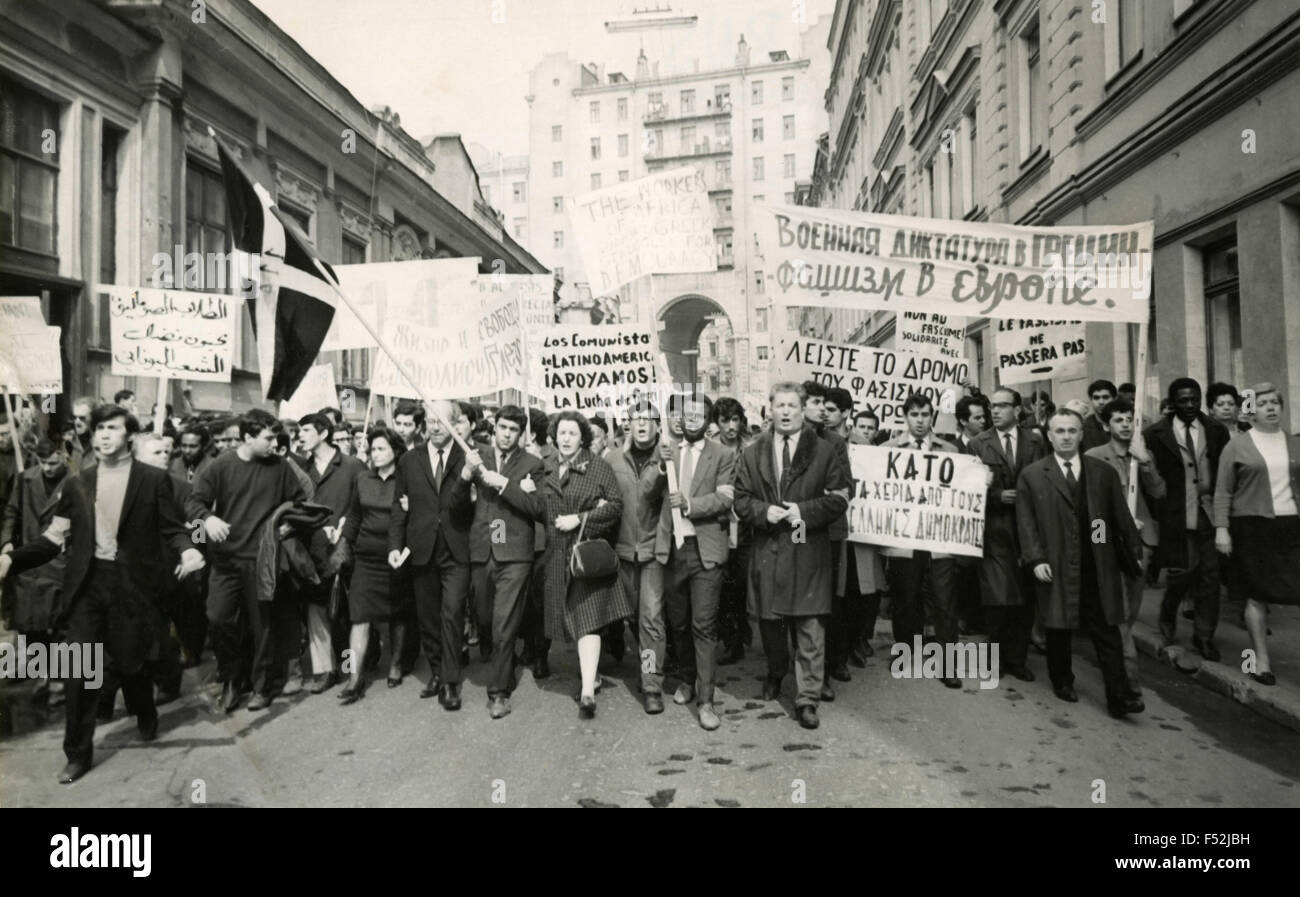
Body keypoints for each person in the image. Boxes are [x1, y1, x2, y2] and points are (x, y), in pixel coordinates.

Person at [0, 404, 203, 784]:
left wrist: (189, 549)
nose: (104, 435)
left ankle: (145, 711)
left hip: (132, 587)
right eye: (98, 429)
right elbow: (52, 538)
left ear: (129, 434)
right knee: (80, 672)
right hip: (87, 587)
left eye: (112, 428)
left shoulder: (152, 480)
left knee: (131, 664)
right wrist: (12, 560)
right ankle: (77, 753)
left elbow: (173, 528)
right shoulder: (78, 483)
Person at [733, 382, 849, 729]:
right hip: (769, 548)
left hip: (806, 547)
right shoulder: (753, 453)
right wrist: (762, 512)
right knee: (771, 625)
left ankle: (807, 698)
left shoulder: (825, 452)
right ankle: (775, 671)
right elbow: (740, 499)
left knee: (810, 626)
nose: (785, 412)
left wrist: (803, 511)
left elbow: (840, 497)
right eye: (779, 405)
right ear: (770, 410)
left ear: (803, 411)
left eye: (792, 406)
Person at [1016, 408, 1144, 718]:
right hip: (1056, 560)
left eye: (1072, 430)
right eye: (1059, 431)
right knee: (1059, 625)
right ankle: (1062, 680)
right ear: (1049, 436)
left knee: (1107, 628)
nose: (1066, 437)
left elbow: (1117, 518)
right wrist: (1036, 558)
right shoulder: (1033, 475)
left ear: (1082, 434)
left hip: (1097, 562)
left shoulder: (1101, 473)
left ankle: (1119, 696)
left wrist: (1132, 551)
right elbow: (1026, 522)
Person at [187, 409, 308, 712]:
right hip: (225, 561)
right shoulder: (221, 466)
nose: (274, 443)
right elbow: (193, 502)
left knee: (262, 626)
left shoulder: (280, 467)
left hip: (261, 560)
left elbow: (300, 503)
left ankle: (262, 687)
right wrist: (208, 519)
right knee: (218, 618)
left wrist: (287, 524)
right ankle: (231, 680)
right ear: (247, 437)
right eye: (268, 438)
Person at [539, 411, 632, 719]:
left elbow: (616, 506)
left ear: (583, 438)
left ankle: (588, 693)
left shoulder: (598, 467)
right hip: (556, 557)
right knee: (570, 621)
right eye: (561, 433)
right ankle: (591, 676)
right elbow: (537, 508)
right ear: (554, 437)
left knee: (588, 619)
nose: (566, 439)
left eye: (572, 433)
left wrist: (580, 519)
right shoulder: (546, 467)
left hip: (585, 558)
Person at [649, 393, 733, 731]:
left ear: (709, 419)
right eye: (688, 413)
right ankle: (686, 678)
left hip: (705, 550)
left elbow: (726, 498)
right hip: (672, 549)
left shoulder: (723, 454)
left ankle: (707, 701)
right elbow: (647, 495)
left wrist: (690, 505)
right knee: (679, 622)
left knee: (703, 625)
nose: (693, 418)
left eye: (700, 413)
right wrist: (658, 468)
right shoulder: (667, 451)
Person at [1214, 383, 1300, 686]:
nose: (1271, 407)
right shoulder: (1237, 445)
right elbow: (1223, 491)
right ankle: (1259, 660)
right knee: (1256, 594)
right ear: (1252, 410)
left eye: (1275, 402)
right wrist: (1221, 529)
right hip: (1252, 526)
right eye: (1263, 403)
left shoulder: (1294, 443)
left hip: (1291, 525)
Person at [389, 400, 473, 710]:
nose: (436, 426)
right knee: (428, 619)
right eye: (431, 421)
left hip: (457, 550)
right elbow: (399, 506)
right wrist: (395, 547)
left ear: (455, 424)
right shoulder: (410, 460)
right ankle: (437, 671)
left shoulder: (468, 458)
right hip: (421, 550)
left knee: (451, 615)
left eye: (443, 421)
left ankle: (450, 683)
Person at [463, 406, 545, 718]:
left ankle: (498, 693)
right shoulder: (475, 455)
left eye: (513, 429)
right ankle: (505, 667)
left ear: (521, 434)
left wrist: (505, 484)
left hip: (514, 556)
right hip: (483, 550)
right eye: (502, 427)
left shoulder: (533, 465)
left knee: (503, 624)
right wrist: (466, 475)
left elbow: (538, 509)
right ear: (494, 427)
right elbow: (458, 497)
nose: (507, 433)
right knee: (484, 620)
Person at [1146, 377, 1230, 661]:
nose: (1190, 405)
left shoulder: (1216, 430)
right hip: (1176, 515)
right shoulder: (1156, 434)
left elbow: (1224, 472)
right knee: (1181, 573)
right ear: (1172, 403)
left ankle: (1204, 635)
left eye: (1195, 399)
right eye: (1183, 400)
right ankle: (1168, 616)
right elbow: (1152, 480)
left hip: (1209, 513)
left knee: (1209, 577)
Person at [1086, 399, 1165, 695]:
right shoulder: (1093, 457)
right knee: (1119, 614)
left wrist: (1145, 462)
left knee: (1130, 612)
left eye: (1130, 420)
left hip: (1141, 545)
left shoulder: (1141, 456)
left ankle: (1118, 663)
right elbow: (1091, 507)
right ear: (1106, 425)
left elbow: (1159, 492)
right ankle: (1128, 683)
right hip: (1110, 544)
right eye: (1118, 420)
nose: (1125, 425)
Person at [968, 387, 1047, 678]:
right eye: (992, 406)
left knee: (1025, 599)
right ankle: (995, 658)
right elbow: (969, 493)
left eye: (1003, 406)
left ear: (1017, 410)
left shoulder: (1036, 441)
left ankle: (1016, 659)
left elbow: (1046, 479)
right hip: (995, 532)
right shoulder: (978, 444)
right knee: (998, 598)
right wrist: (997, 497)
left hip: (1029, 533)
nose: (996, 412)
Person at [885, 394, 964, 688]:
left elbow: (961, 489)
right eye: (914, 414)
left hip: (940, 537)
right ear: (905, 416)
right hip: (905, 536)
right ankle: (908, 652)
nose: (920, 420)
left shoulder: (951, 450)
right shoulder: (888, 450)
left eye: (925, 414)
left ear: (932, 416)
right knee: (906, 598)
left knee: (945, 600)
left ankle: (947, 664)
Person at [294, 413, 366, 695]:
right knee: (315, 612)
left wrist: (346, 525)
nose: (301, 436)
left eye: (306, 430)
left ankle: (350, 667)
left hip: (345, 552)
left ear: (323, 434)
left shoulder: (352, 466)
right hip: (311, 552)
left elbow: (362, 502)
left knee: (343, 615)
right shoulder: (300, 470)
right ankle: (326, 670)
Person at [338, 426, 412, 701]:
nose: (375, 454)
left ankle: (395, 664)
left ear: (395, 451)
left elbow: (417, 518)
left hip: (396, 558)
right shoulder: (362, 479)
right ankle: (354, 678)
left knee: (398, 615)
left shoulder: (406, 481)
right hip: (365, 560)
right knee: (359, 618)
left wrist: (410, 508)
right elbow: (354, 516)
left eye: (381, 448)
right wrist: (343, 546)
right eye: (372, 449)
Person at [605, 400, 668, 709]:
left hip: (655, 549)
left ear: (659, 424)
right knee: (631, 615)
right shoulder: (613, 458)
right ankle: (645, 659)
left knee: (650, 618)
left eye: (649, 418)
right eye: (636, 419)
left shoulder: (668, 457)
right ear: (628, 424)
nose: (642, 424)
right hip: (623, 550)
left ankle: (651, 684)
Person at [1, 438, 70, 706]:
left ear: (63, 457)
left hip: (59, 560)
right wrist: (6, 540)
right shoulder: (26, 478)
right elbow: (12, 512)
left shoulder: (76, 482)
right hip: (29, 557)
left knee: (60, 623)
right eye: (43, 463)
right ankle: (42, 672)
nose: (49, 468)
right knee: (31, 623)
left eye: (54, 462)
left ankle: (60, 679)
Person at [710, 396, 752, 663]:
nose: (730, 426)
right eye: (724, 420)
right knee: (723, 587)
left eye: (735, 420)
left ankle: (743, 630)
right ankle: (731, 640)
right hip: (720, 525)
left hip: (747, 526)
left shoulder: (750, 448)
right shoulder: (711, 449)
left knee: (744, 583)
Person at [1082, 380, 1117, 451]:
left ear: (1114, 399)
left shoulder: (1123, 424)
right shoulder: (1084, 427)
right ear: (1091, 400)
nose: (1101, 402)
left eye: (1105, 397)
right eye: (1096, 398)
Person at [68, 397, 96, 474]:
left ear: (93, 418)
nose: (77, 422)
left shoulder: (102, 444)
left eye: (82, 418)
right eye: (74, 417)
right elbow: (71, 471)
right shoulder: (68, 444)